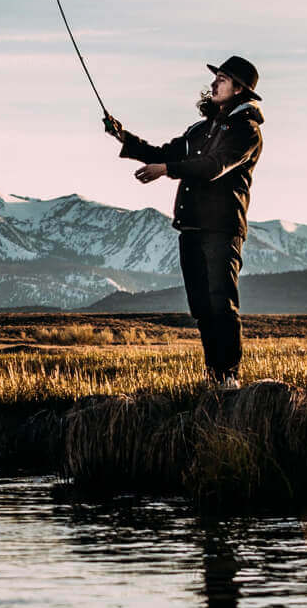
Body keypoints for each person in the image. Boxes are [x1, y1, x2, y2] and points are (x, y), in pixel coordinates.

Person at [103, 56, 265, 390]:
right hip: (191, 226)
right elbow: (165, 152)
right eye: (215, 77)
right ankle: (215, 377)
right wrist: (123, 137)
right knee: (202, 306)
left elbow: (213, 166)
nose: (214, 83)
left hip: (222, 227)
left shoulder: (247, 131)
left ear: (239, 89)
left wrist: (166, 170)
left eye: (222, 78)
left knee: (222, 302)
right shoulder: (200, 129)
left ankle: (230, 376)